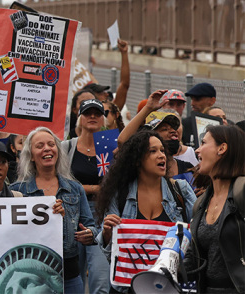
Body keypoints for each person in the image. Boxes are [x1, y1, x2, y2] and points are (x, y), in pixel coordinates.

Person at [97, 132, 196, 292]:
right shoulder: (119, 194)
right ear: (137, 160)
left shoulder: (181, 190)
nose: (161, 156)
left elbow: (197, 233)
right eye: (153, 151)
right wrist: (108, 234)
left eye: (162, 150)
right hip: (126, 288)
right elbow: (111, 254)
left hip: (167, 287)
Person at [12, 127, 96, 293]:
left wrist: (89, 234)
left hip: (70, 276)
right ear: (31, 155)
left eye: (51, 144)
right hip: (32, 278)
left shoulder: (75, 189)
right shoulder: (17, 191)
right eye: (40, 145)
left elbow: (91, 226)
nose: (47, 148)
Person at [185, 125, 245, 293]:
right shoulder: (200, 203)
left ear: (222, 148)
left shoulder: (243, 191)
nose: (197, 150)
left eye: (203, 143)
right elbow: (194, 259)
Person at [63, 97, 110, 294]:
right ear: (79, 118)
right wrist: (93, 188)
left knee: (101, 281)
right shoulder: (66, 147)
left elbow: (112, 184)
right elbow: (62, 182)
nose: (92, 116)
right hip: (73, 215)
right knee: (75, 279)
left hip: (101, 214)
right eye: (88, 113)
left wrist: (83, 187)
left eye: (97, 113)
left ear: (103, 119)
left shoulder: (108, 145)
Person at [182, 82, 217, 147]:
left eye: (197, 99)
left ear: (212, 101)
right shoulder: (185, 124)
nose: (192, 103)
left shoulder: (221, 124)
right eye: (192, 99)